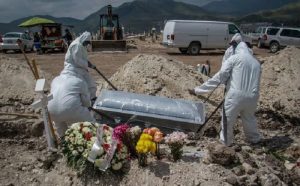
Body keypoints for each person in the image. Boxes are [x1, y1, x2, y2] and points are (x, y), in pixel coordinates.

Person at [190, 42, 261, 146]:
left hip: (235, 95)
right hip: (253, 97)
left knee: (227, 120)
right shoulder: (256, 63)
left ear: (237, 48)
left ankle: (225, 143)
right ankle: (254, 140)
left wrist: (198, 90)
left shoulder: (235, 58)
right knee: (249, 119)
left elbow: (221, 75)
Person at [48, 31, 97, 137]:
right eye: (86, 42)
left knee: (61, 127)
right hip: (76, 67)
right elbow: (86, 104)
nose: (87, 44)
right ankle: (95, 141)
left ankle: (64, 142)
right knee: (91, 123)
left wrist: (89, 64)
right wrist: (88, 107)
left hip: (52, 113)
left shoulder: (55, 80)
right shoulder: (76, 45)